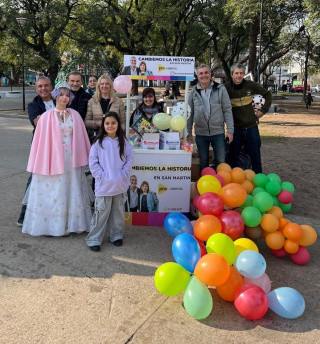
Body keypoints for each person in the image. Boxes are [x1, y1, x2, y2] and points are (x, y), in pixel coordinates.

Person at [22, 82, 93, 236]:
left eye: (67, 95)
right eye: (61, 94)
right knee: (53, 189)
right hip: (52, 158)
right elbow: (40, 142)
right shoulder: (46, 117)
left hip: (70, 158)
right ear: (55, 96)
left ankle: (71, 223)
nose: (65, 97)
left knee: (71, 188)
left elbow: (81, 137)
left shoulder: (75, 115)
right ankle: (51, 225)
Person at [85, 112, 133, 252]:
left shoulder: (124, 142)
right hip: (104, 186)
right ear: (103, 125)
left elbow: (130, 160)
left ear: (118, 124)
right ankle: (94, 238)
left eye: (113, 123)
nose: (110, 126)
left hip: (119, 185)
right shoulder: (98, 143)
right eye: (107, 123)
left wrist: (123, 175)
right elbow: (93, 162)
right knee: (101, 213)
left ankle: (116, 235)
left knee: (118, 212)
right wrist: (101, 176)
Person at [17, 76, 55, 227]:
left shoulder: (59, 99)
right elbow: (37, 122)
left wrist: (46, 118)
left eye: (46, 85)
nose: (43, 88)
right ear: (36, 89)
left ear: (51, 87)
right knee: (35, 177)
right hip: (42, 146)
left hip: (61, 147)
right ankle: (24, 211)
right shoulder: (33, 105)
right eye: (40, 86)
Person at [224, 62, 272, 173]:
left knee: (256, 158)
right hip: (235, 129)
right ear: (232, 75)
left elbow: (268, 95)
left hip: (251, 128)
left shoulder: (250, 85)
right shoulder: (225, 88)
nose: (239, 75)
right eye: (236, 73)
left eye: (241, 73)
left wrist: (263, 111)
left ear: (244, 74)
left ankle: (258, 181)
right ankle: (232, 184)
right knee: (232, 159)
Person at [187, 64, 234, 172]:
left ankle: (221, 186)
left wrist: (230, 130)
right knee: (203, 162)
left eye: (206, 72)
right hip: (200, 134)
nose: (204, 75)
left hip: (218, 132)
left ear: (211, 74)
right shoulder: (193, 93)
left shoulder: (220, 89)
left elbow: (227, 110)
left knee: (221, 161)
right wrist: (189, 133)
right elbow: (189, 114)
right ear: (197, 76)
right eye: (201, 73)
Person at [85, 75, 126, 142]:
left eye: (107, 84)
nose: (104, 86)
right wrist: (97, 123)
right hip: (97, 138)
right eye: (102, 84)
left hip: (114, 138)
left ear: (110, 86)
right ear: (98, 86)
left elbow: (123, 123)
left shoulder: (118, 101)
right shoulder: (92, 101)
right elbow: (87, 122)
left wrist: (116, 130)